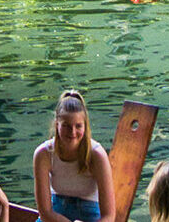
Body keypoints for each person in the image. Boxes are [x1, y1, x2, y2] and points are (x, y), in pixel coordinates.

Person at [32, 90, 116, 222]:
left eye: (78, 126)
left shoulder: (97, 155)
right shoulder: (43, 154)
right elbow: (45, 212)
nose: (72, 132)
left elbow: (109, 216)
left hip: (90, 215)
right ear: (57, 124)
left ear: (85, 126)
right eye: (66, 126)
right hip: (55, 214)